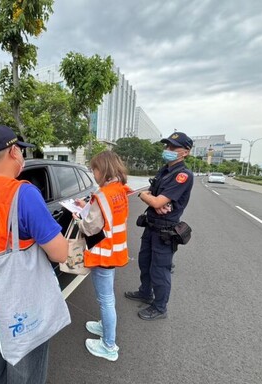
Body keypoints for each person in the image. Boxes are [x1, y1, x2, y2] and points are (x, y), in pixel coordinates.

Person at [0, 125, 68, 384]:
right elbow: (60, 253)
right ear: (12, 151)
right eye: (21, 151)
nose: (22, 156)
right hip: (21, 310)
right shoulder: (23, 193)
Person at [125, 132, 194, 320]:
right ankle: (145, 292)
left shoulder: (182, 175)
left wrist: (147, 197)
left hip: (165, 230)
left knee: (160, 269)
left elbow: (156, 202)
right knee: (144, 262)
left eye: (173, 147)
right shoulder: (165, 170)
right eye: (167, 146)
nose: (168, 150)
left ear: (185, 152)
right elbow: (153, 197)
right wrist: (151, 198)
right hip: (151, 225)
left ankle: (160, 307)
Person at [72, 151, 130, 362]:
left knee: (106, 300)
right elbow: (108, 216)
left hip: (103, 253)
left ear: (103, 169)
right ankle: (104, 327)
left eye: (94, 168)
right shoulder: (119, 190)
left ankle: (109, 345)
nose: (93, 173)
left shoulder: (103, 195)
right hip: (115, 250)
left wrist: (79, 217)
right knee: (107, 298)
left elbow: (90, 226)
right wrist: (86, 207)